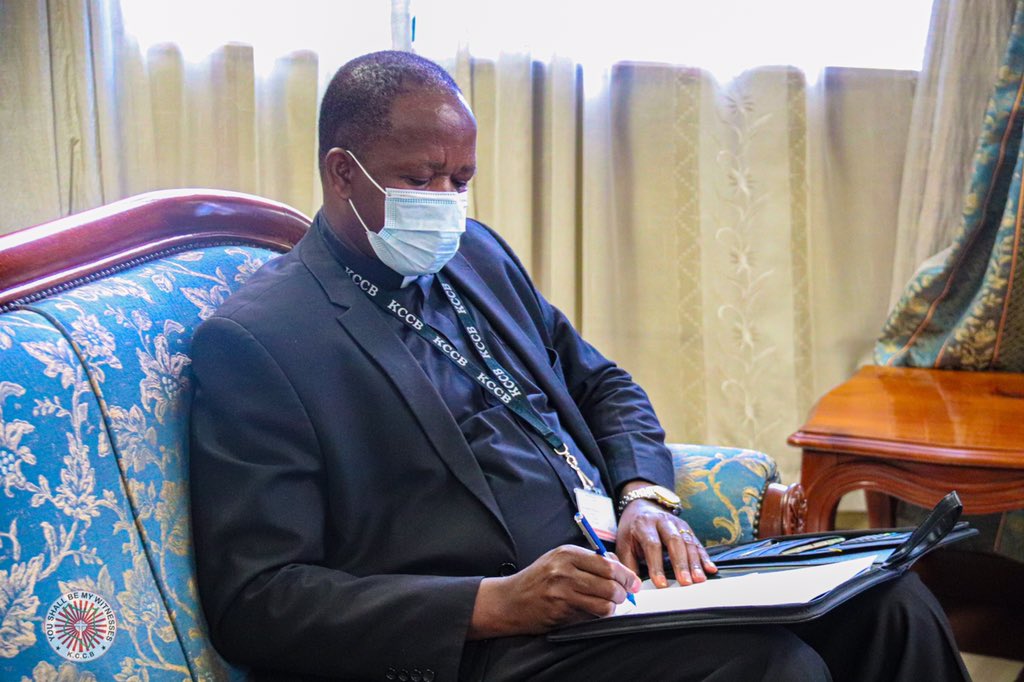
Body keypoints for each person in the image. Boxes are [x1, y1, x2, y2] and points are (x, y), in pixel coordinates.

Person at [188, 50, 968, 681]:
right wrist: (494, 603)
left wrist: (645, 495)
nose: (447, 202)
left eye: (461, 180)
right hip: (495, 643)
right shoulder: (262, 341)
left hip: (625, 587)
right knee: (773, 670)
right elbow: (259, 600)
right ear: (342, 173)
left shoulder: (475, 255)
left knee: (893, 605)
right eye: (420, 179)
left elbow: (602, 384)